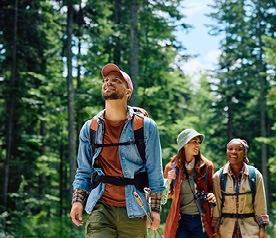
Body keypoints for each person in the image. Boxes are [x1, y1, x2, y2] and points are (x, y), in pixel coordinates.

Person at [69, 63, 165, 238]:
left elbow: (155, 171)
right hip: (101, 207)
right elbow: (84, 170)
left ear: (128, 92)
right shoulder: (90, 128)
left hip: (135, 209)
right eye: (106, 80)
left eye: (116, 80)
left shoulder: (146, 127)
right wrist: (77, 201)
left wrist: (155, 210)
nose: (109, 82)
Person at [163, 128, 216, 238]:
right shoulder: (171, 167)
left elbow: (212, 188)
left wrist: (211, 195)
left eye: (199, 142)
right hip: (180, 221)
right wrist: (168, 181)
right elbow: (165, 196)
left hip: (201, 220)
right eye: (194, 142)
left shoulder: (207, 166)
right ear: (184, 144)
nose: (198, 145)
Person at [212, 138, 269, 238]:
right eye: (230, 149)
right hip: (226, 230)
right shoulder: (219, 177)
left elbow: (260, 205)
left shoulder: (254, 175)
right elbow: (216, 207)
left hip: (250, 230)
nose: (233, 152)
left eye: (238, 149)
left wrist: (262, 230)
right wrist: (215, 231)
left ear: (244, 153)